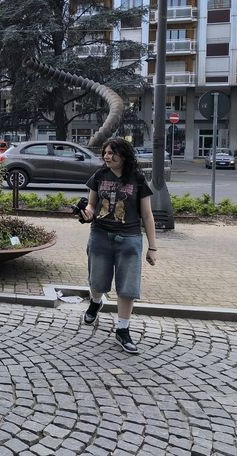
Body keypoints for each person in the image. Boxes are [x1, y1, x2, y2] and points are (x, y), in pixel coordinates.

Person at [80, 137, 158, 354]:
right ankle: (96, 302)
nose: (107, 156)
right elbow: (92, 205)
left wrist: (152, 247)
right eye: (105, 153)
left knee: (128, 287)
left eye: (112, 153)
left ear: (123, 155)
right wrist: (86, 213)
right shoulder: (99, 176)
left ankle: (122, 330)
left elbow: (147, 215)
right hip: (100, 235)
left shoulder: (137, 179)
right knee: (97, 281)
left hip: (129, 238)